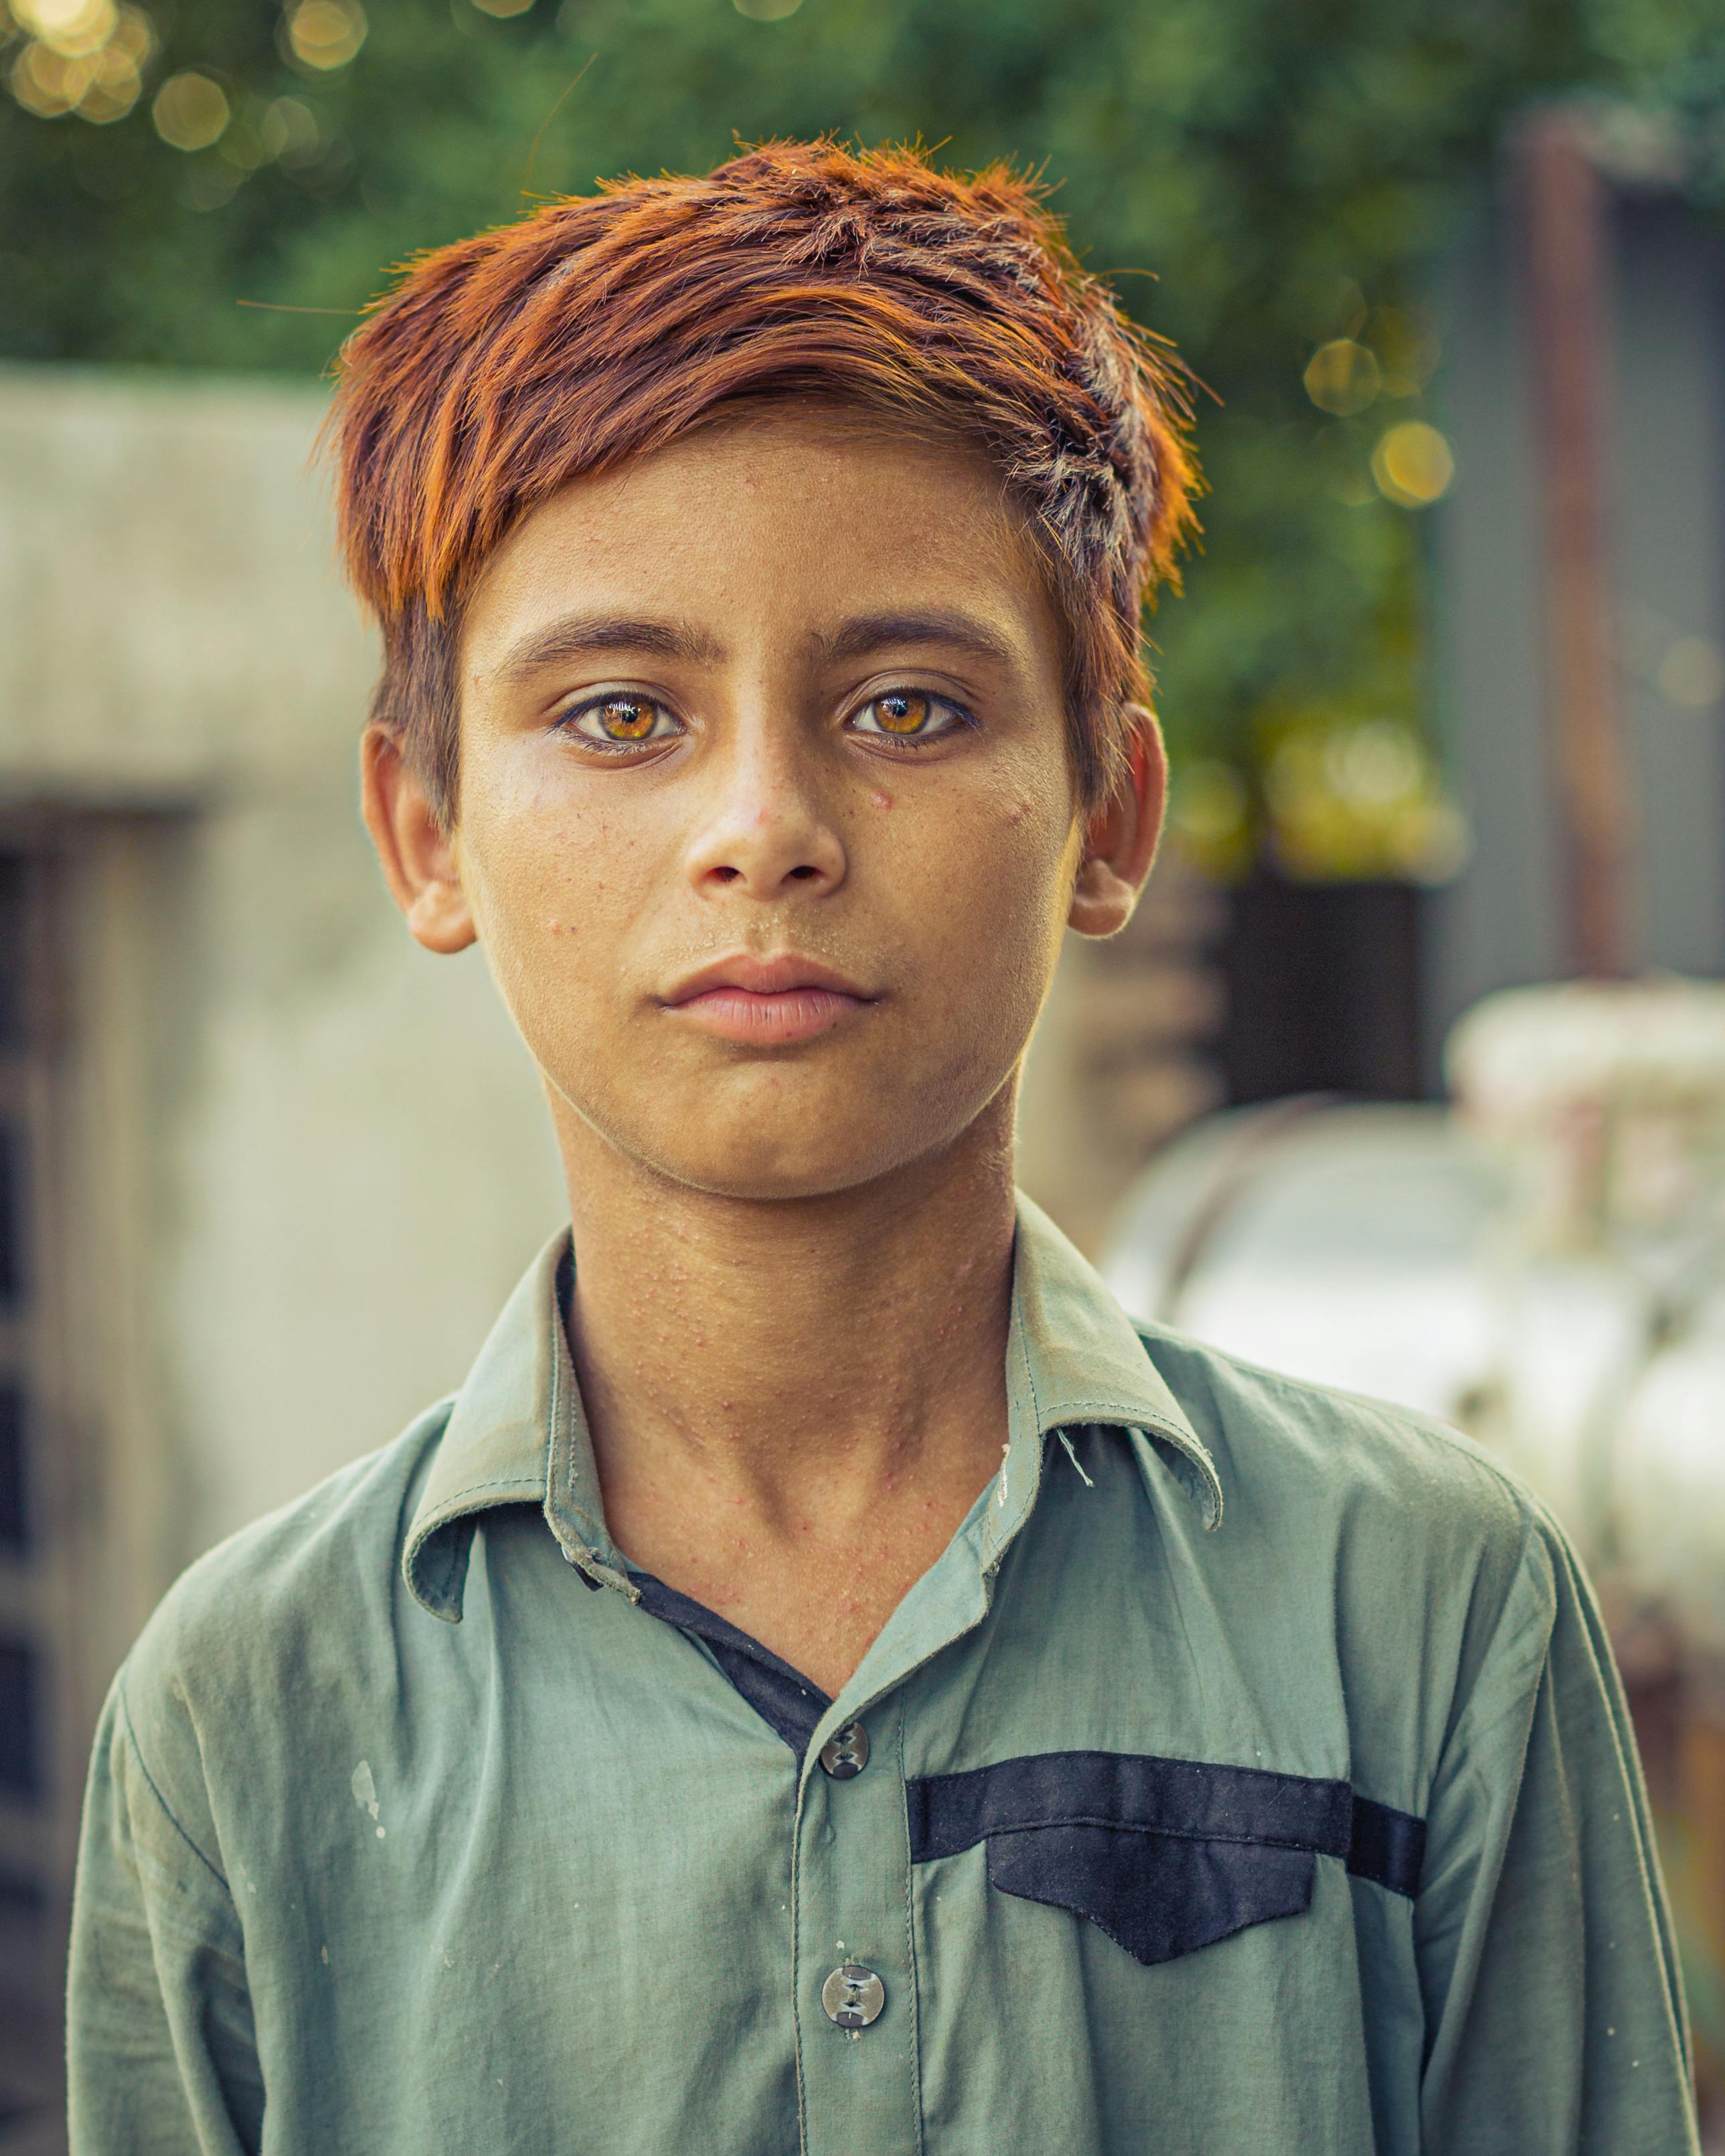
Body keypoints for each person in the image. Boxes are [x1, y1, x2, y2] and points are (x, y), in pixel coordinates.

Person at [68, 139, 1698, 2155]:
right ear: (425, 831)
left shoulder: (1422, 1603)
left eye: (912, 708)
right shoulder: (253, 1703)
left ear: (1106, 813)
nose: (765, 825)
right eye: (619, 716)